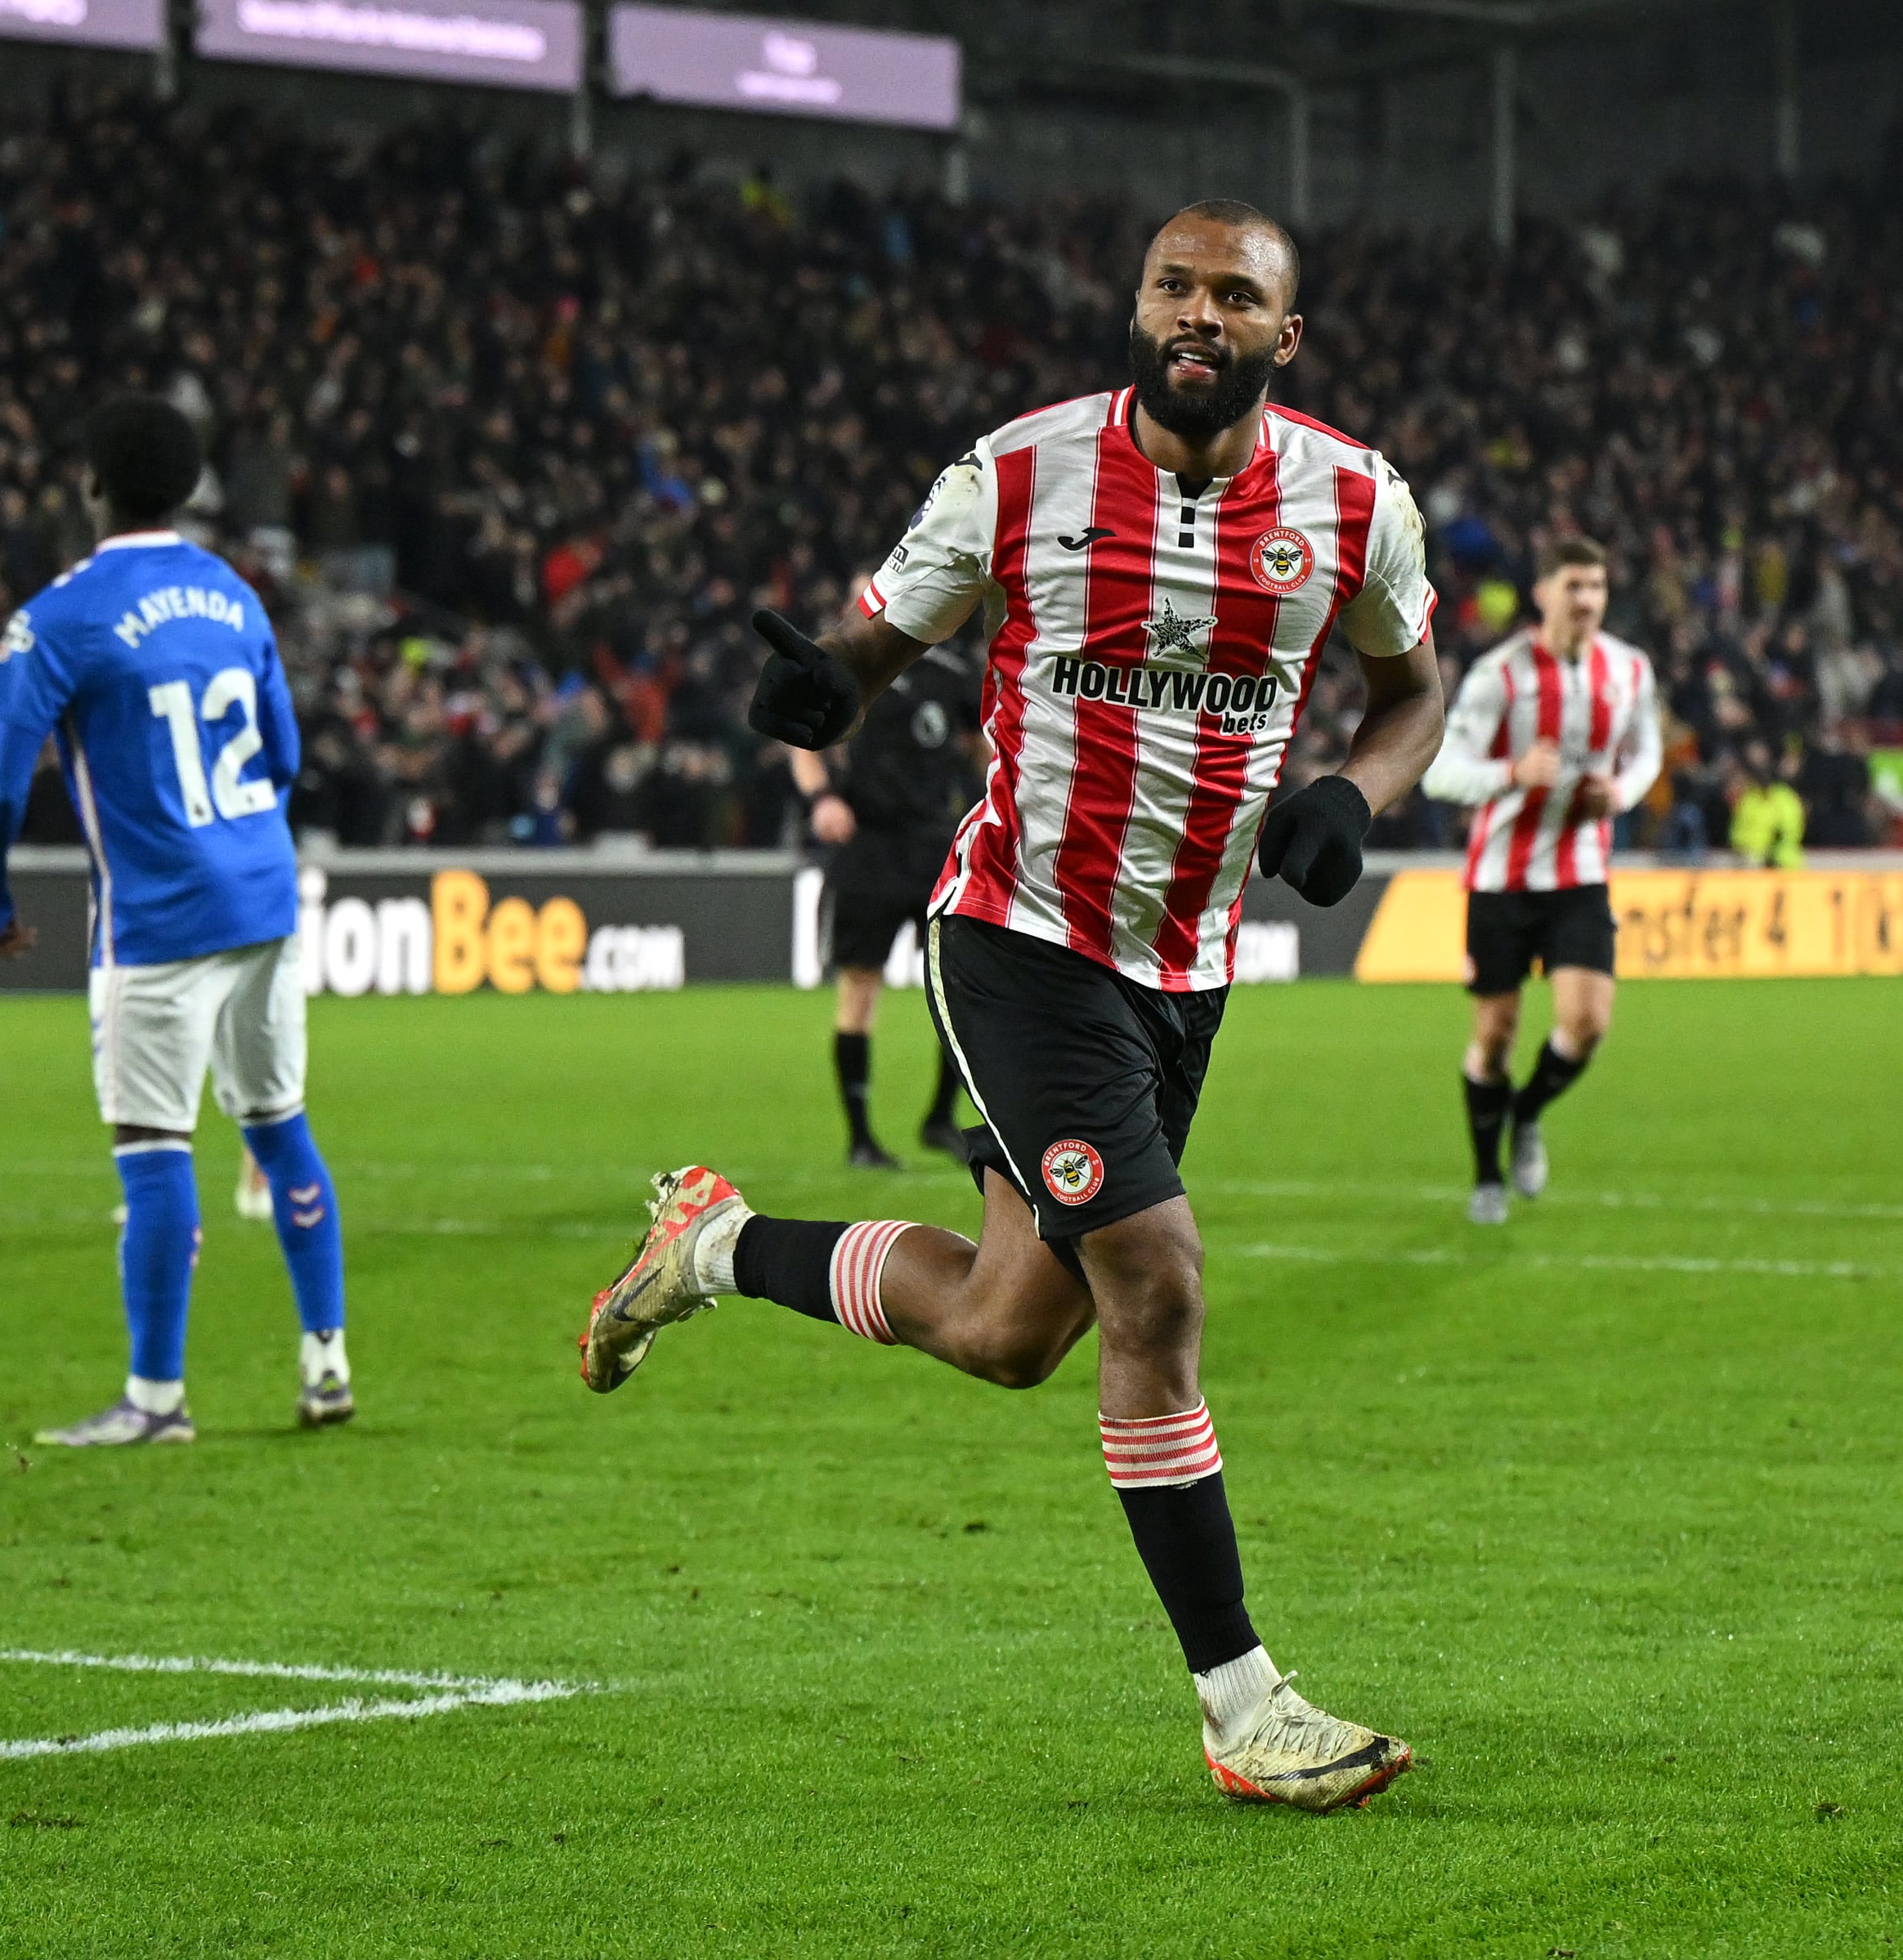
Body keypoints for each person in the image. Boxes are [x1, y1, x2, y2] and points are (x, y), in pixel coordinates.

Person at [578, 202, 1446, 1812]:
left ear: (1283, 334)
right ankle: (1244, 1703)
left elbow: (1412, 691)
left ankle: (712, 1243)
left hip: (1184, 969)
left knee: (1003, 1330)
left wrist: (1361, 791)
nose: (1199, 312)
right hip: (1021, 937)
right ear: (1134, 307)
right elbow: (875, 640)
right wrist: (820, 686)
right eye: (1173, 287)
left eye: (1234, 295)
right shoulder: (1016, 471)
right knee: (1157, 1282)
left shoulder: (1354, 502)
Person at [0, 394, 351, 1444]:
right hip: (264, 893)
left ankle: (155, 1400)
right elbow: (286, 756)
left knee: (153, 1141)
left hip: (162, 912)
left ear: (91, 483)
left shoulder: (60, 614)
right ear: (188, 491)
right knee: (277, 1125)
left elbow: (1, 785)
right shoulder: (233, 594)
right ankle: (327, 1365)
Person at [1421, 538, 1660, 1225]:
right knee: (1494, 1035)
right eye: (1573, 586)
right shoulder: (1501, 674)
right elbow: (1439, 771)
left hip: (1579, 874)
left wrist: (1621, 792)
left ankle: (1526, 1114)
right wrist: (1508, 775)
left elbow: (1646, 751)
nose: (1586, 600)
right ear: (1543, 592)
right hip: (1500, 878)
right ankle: (1485, 1175)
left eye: (1596, 586)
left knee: (1586, 1024)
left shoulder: (1629, 669)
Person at [790, 643, 981, 1166]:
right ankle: (861, 1141)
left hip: (936, 846)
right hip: (868, 849)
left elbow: (981, 740)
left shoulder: (952, 671)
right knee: (860, 988)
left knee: (961, 986)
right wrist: (822, 799)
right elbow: (801, 739)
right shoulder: (850, 667)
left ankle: (940, 1118)